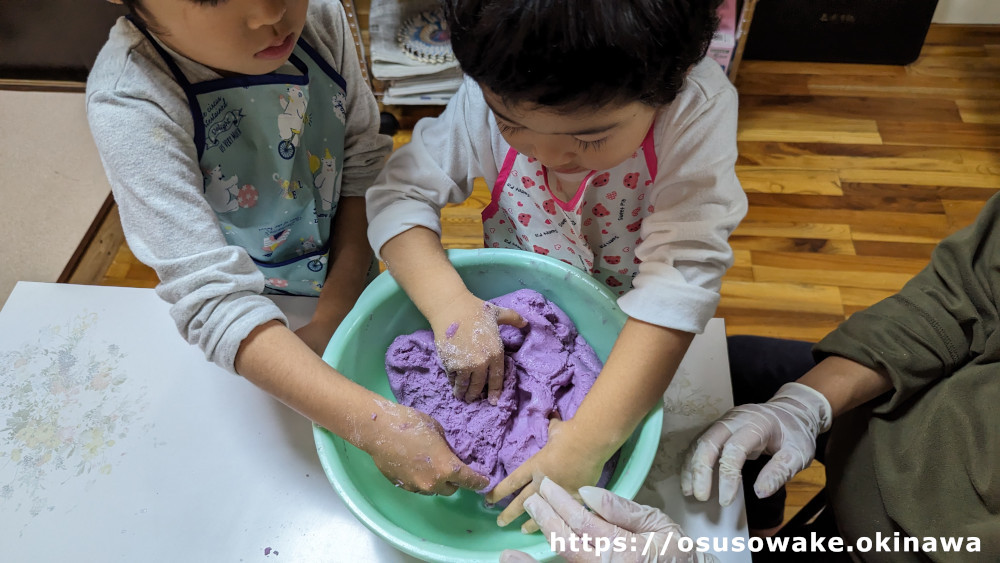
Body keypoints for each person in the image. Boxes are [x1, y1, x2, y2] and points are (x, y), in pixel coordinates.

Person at [365, 0, 748, 530]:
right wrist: (450, 305)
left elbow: (679, 277)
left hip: (636, 337)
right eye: (511, 124)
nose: (547, 154)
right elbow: (400, 192)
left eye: (590, 138)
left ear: (670, 82)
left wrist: (586, 443)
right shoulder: (500, 81)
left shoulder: (693, 112)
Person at [86, 0, 488, 496]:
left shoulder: (319, 17)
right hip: (254, 311)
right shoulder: (132, 103)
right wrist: (375, 426)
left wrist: (334, 313)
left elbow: (362, 164)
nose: (270, 15)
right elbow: (216, 300)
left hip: (346, 265)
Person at [682, 191, 1000, 559]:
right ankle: (758, 525)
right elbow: (967, 289)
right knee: (735, 365)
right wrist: (805, 404)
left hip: (914, 546)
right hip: (920, 400)